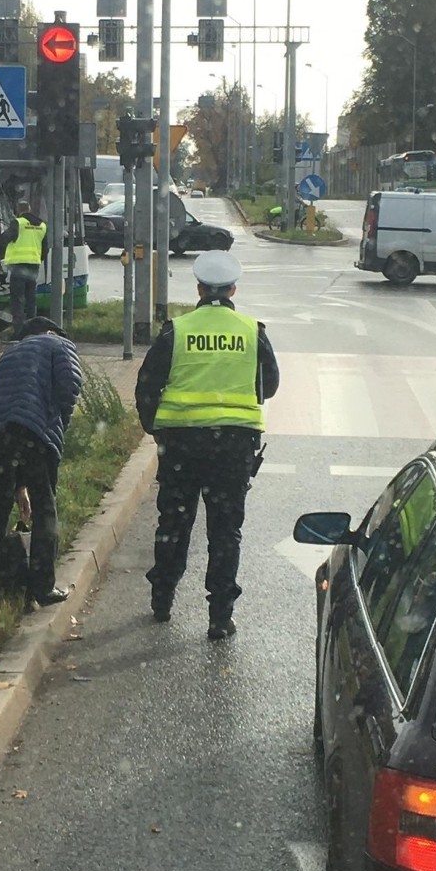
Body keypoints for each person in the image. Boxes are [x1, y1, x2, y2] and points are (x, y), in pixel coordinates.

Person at [135, 250, 279, 640]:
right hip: (233, 446)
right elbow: (270, 384)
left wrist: (155, 428)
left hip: (181, 444)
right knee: (225, 530)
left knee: (175, 523)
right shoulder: (252, 331)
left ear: (199, 288)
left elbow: (147, 384)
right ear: (233, 289)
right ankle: (219, 616)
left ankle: (162, 598)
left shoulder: (177, 330)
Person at [0, 315, 83, 607]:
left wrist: (16, 483)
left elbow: (2, 402)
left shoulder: (11, 352)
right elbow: (70, 385)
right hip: (33, 433)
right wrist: (59, 423)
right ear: (50, 331)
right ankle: (42, 586)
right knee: (45, 506)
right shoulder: (58, 344)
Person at [1, 199, 49, 337]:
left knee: (18, 299)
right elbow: (45, 248)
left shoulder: (18, 223)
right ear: (29, 209)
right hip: (34, 265)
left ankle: (19, 332)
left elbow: (4, 239)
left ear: (18, 211)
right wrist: (38, 259)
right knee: (31, 298)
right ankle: (32, 330)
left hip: (18, 266)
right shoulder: (42, 225)